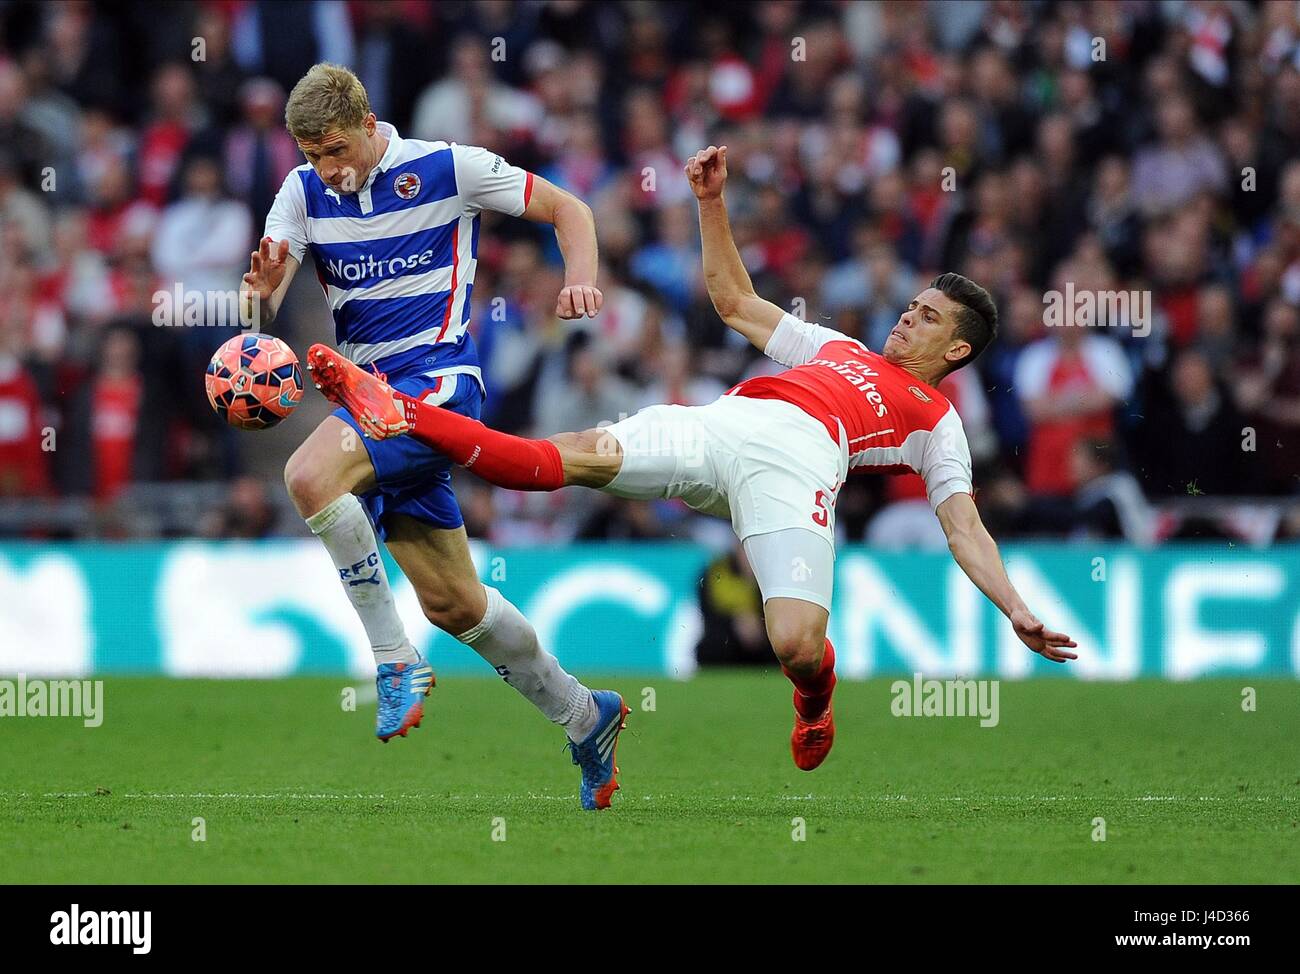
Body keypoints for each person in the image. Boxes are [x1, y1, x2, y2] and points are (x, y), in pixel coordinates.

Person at [307, 145, 1078, 777]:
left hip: (797, 475)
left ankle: (815, 703)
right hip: (718, 425)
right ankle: (402, 409)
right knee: (551, 461)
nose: (908, 319)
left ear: (959, 349)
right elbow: (735, 302)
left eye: (928, 319)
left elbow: (965, 528)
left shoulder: (938, 422)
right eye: (912, 307)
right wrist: (711, 204)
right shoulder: (837, 346)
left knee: (796, 646)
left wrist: (1014, 607)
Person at [238, 63, 625, 812]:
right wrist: (254, 306)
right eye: (314, 155)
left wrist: (579, 276)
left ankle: (393, 662)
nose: (329, 168)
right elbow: (267, 307)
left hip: (438, 386)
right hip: (369, 402)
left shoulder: (450, 167)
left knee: (309, 477)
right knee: (456, 605)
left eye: (337, 150)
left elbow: (570, 209)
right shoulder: (301, 192)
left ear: (367, 120)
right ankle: (587, 716)